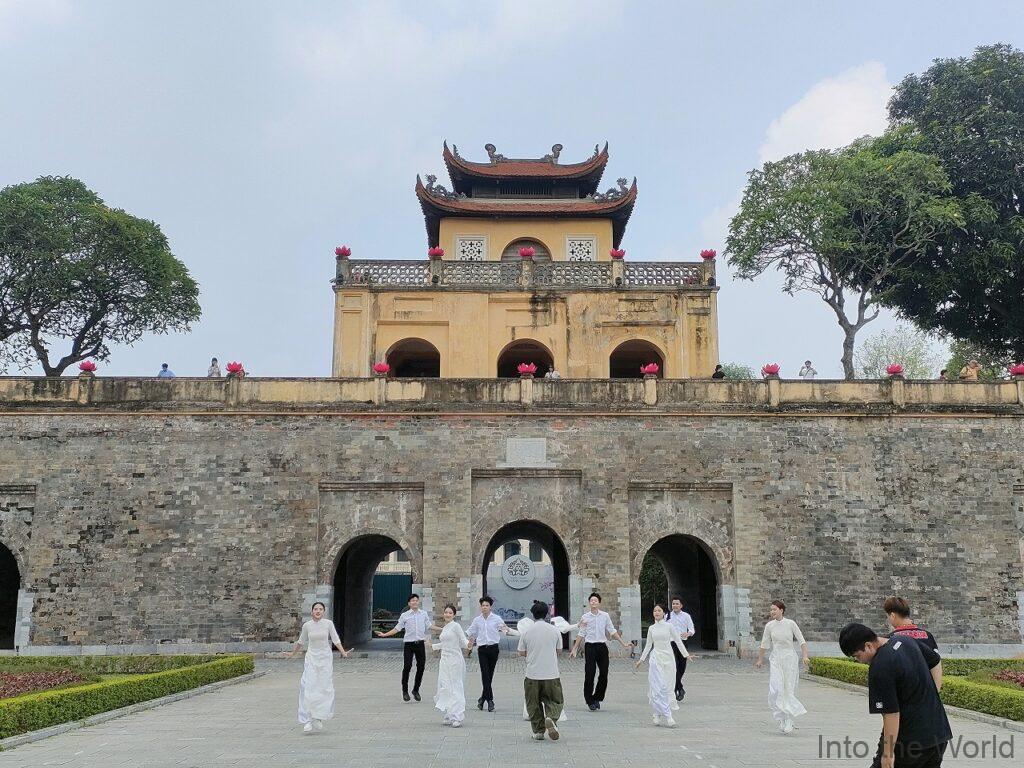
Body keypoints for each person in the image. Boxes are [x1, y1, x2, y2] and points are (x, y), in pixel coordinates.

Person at [839, 623, 951, 768]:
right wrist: (932, 695)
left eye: (857, 656)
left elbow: (891, 713)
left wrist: (888, 754)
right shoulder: (905, 640)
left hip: (910, 742)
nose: (859, 661)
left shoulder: (880, 666)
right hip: (939, 734)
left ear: (868, 646)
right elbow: (935, 661)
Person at [288, 601, 350, 734]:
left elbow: (335, 639)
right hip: (311, 658)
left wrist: (343, 652)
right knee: (308, 686)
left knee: (323, 687)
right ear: (312, 611)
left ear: (323, 611)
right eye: (315, 609)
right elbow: (301, 641)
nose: (318, 611)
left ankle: (318, 716)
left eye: (320, 609)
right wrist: (292, 653)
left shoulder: (328, 624)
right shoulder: (307, 626)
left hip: (325, 659)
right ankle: (307, 720)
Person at [569, 592, 633, 710]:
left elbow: (612, 631)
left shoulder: (605, 616)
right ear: (589, 603)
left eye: (595, 600)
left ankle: (597, 697)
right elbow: (581, 633)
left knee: (604, 673)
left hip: (602, 647)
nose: (593, 602)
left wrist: (623, 643)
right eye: (591, 600)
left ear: (599, 603)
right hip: (590, 647)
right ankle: (589, 700)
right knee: (590, 673)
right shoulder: (585, 617)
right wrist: (574, 648)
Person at [755, 599, 809, 734]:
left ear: (781, 610)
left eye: (774, 609)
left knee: (787, 689)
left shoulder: (791, 624)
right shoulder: (769, 626)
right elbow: (764, 644)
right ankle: (782, 718)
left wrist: (805, 656)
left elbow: (802, 641)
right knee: (776, 689)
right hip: (776, 659)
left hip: (789, 659)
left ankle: (788, 718)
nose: (772, 611)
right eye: (771, 609)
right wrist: (760, 660)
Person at [635, 603, 691, 727]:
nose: (657, 613)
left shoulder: (669, 626)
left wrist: (686, 655)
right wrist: (641, 659)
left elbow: (678, 641)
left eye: (659, 611)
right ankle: (667, 715)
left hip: (668, 658)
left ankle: (658, 713)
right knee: (657, 687)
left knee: (666, 687)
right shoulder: (651, 628)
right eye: (655, 611)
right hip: (656, 659)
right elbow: (649, 645)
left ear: (664, 613)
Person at [518, 600, 564, 741]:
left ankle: (538, 731)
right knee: (555, 701)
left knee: (533, 703)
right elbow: (559, 651)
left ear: (533, 615)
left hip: (532, 673)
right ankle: (551, 718)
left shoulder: (527, 632)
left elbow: (521, 652)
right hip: (551, 673)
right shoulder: (554, 630)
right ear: (547, 614)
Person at [375, 593, 430, 701]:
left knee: (421, 667)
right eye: (412, 600)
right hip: (409, 644)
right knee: (407, 666)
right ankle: (405, 691)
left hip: (420, 644)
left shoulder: (423, 614)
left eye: (416, 600)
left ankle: (416, 690)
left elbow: (429, 626)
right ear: (409, 603)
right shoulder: (405, 615)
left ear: (418, 602)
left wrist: (444, 628)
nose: (415, 602)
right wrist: (384, 634)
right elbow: (397, 629)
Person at [466, 595, 516, 712]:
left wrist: (508, 630)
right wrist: (465, 640)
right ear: (480, 607)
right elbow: (470, 632)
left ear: (490, 607)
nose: (484, 607)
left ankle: (482, 699)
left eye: (487, 605)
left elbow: (504, 629)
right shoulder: (477, 620)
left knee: (490, 674)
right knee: (485, 674)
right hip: (482, 649)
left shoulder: (497, 618)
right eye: (483, 605)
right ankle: (490, 700)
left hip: (493, 649)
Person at [429, 604, 469, 727]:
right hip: (444, 660)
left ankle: (457, 716)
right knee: (445, 686)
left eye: (450, 613)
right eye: (446, 612)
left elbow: (463, 641)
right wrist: (432, 646)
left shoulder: (456, 626)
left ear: (454, 615)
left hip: (455, 660)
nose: (447, 614)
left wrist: (469, 644)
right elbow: (444, 643)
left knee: (456, 686)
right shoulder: (445, 627)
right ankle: (448, 713)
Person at [667, 596, 695, 700]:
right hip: (672, 643)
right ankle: (677, 688)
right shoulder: (667, 616)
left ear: (681, 605)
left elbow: (692, 629)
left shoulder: (686, 616)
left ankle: (679, 687)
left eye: (677, 604)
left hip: (683, 642)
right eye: (673, 604)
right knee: (674, 665)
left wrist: (688, 633)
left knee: (682, 666)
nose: (675, 605)